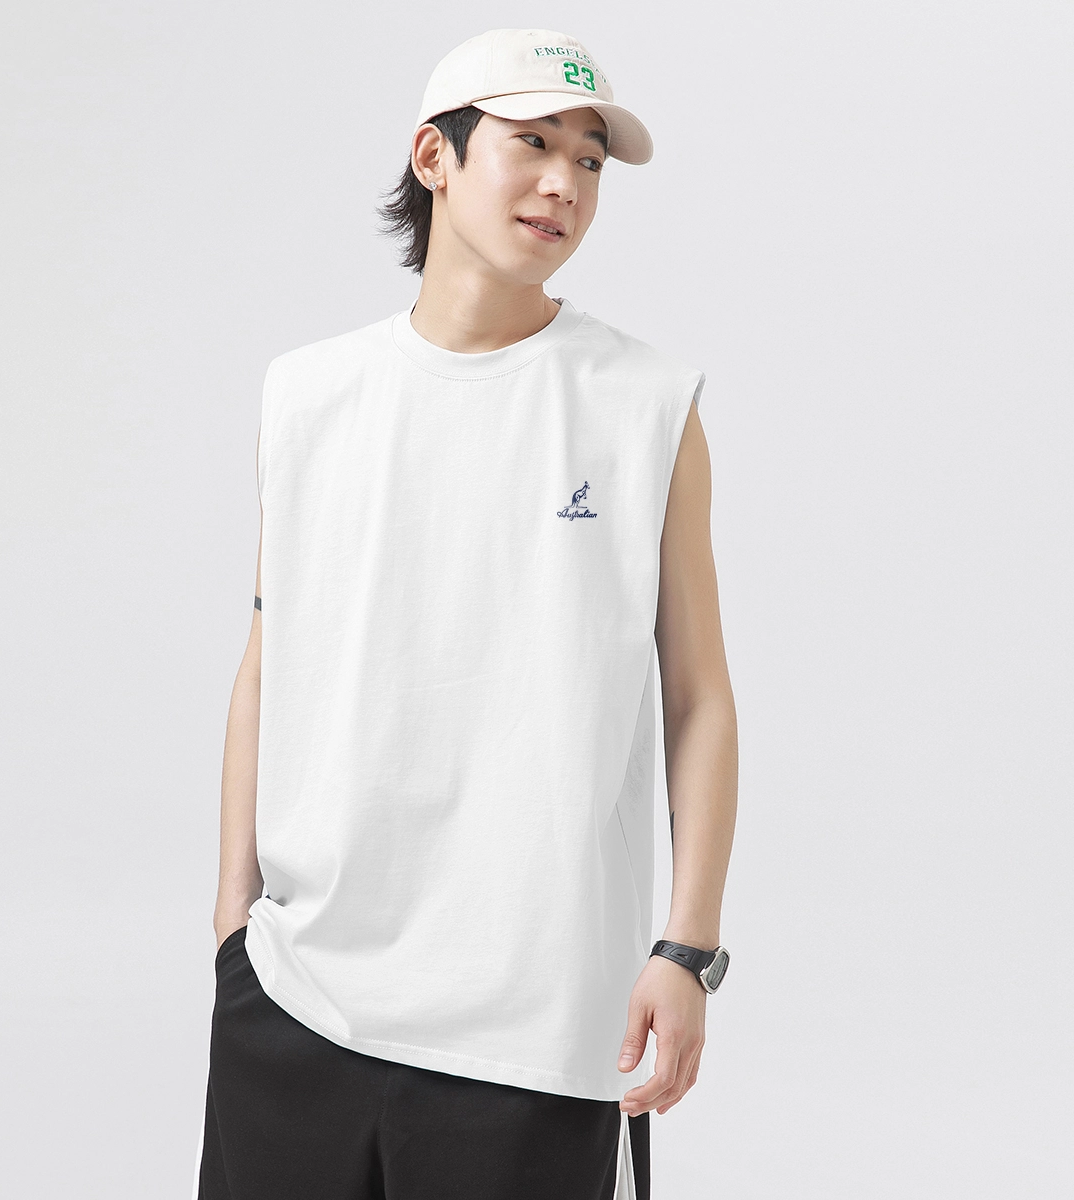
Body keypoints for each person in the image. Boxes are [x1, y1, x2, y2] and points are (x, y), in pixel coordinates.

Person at [194, 27, 738, 1200]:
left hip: (540, 1030)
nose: (565, 183)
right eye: (531, 143)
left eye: (589, 159)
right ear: (433, 158)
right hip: (297, 1000)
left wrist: (687, 950)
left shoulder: (646, 406)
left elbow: (698, 698)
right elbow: (267, 658)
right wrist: (234, 922)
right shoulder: (307, 395)